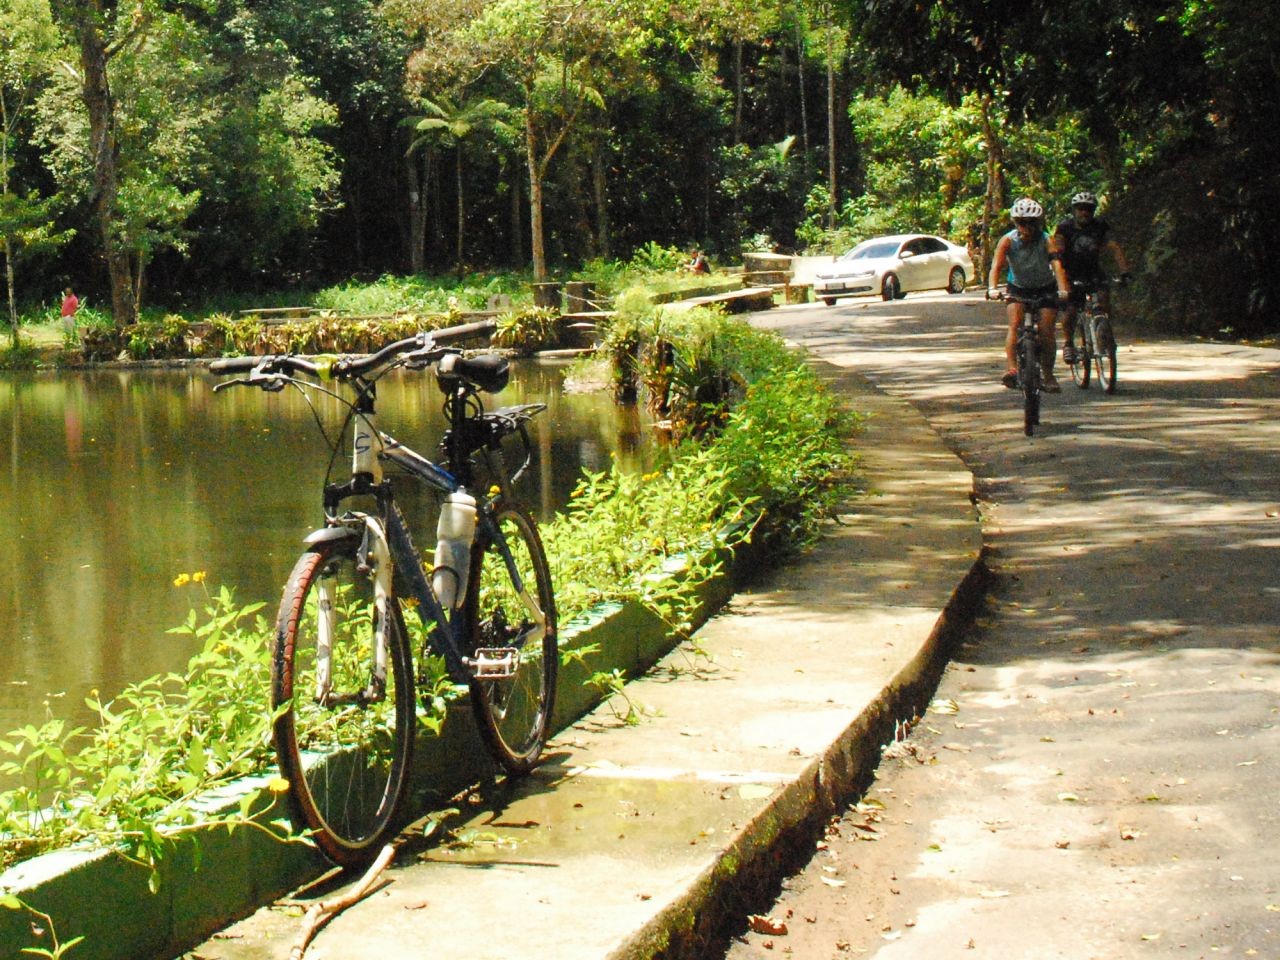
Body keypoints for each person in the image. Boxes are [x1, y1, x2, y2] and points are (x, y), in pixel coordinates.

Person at [987, 197, 1070, 392]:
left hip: (1045, 287)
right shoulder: (1008, 240)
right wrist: (992, 288)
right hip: (1018, 287)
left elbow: (1056, 266)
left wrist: (1063, 290)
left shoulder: (1045, 239)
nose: (1027, 227)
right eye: (1022, 222)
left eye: (1031, 222)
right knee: (1015, 325)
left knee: (1046, 331)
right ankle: (1013, 370)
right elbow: (996, 267)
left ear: (1038, 223)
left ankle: (1048, 375)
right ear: (1016, 223)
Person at [1054, 192, 1131, 363]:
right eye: (1081, 209)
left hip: (1093, 271)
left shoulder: (1100, 226)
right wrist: (1061, 282)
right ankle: (1068, 344)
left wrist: (1124, 272)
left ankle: (1105, 332)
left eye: (1088, 209)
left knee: (1103, 300)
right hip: (1070, 273)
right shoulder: (1065, 227)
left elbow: (1114, 248)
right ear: (1074, 210)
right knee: (1070, 312)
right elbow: (1057, 252)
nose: (1084, 212)